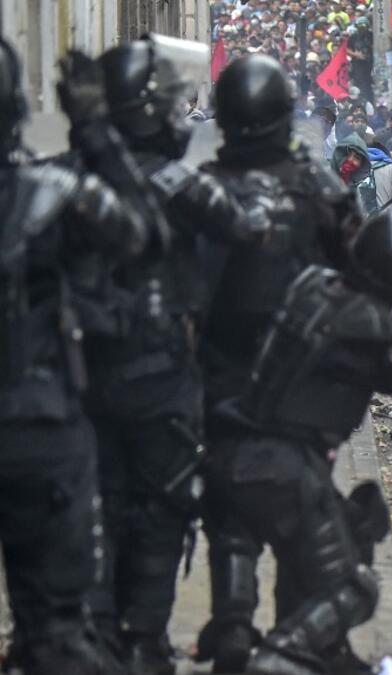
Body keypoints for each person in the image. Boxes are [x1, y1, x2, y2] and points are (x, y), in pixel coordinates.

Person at [204, 208, 392, 675]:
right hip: (284, 467)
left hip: (232, 448)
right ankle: (277, 658)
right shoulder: (379, 330)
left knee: (353, 527)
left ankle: (312, 654)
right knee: (352, 589)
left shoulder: (309, 283)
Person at [83, 40, 268, 675]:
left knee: (98, 509)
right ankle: (140, 638)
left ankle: (97, 632)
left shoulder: (66, 173)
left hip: (76, 377)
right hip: (159, 376)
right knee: (160, 509)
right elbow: (249, 228)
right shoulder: (176, 182)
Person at [196, 54, 363, 675]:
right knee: (305, 511)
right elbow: (358, 271)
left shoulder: (203, 187)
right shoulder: (316, 189)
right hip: (299, 383)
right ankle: (298, 636)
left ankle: (234, 625)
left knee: (230, 507)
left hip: (219, 377)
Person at [0, 42, 160, 675]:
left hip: (46, 421)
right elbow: (144, 235)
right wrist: (93, 128)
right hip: (41, 426)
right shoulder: (55, 192)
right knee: (57, 630)